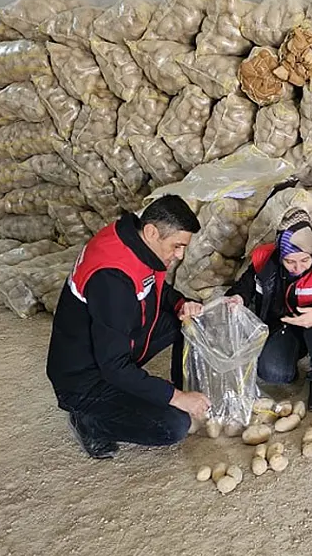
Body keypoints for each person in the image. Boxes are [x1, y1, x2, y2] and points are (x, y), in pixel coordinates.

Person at [46, 195, 212, 459]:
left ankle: (183, 392)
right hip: (85, 378)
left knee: (188, 321)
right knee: (174, 426)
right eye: (177, 246)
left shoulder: (134, 241)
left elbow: (155, 287)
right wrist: (176, 398)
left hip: (115, 341)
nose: (180, 255)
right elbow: (114, 366)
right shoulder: (112, 278)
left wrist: (182, 303)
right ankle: (90, 422)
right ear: (151, 231)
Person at [223, 208, 312, 411]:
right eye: (290, 261)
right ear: (280, 255)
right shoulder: (265, 260)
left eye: (305, 260)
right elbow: (244, 285)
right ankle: (293, 351)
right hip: (283, 325)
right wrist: (237, 297)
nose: (298, 268)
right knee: (273, 374)